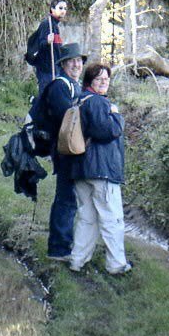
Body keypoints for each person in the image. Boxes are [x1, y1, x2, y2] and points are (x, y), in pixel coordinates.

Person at [68, 63, 131, 275]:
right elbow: (108, 130)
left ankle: (77, 261)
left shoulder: (79, 100)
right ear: (90, 81)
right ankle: (116, 265)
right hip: (101, 170)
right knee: (112, 219)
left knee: (87, 218)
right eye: (99, 79)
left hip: (81, 170)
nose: (104, 82)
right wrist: (116, 115)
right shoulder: (97, 102)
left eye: (106, 78)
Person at [42, 42, 85, 262]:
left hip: (72, 148)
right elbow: (66, 118)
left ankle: (65, 243)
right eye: (71, 61)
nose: (76, 65)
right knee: (66, 198)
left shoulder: (74, 85)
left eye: (79, 61)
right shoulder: (60, 87)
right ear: (63, 64)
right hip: (65, 149)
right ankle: (58, 248)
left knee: (70, 197)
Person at [25, 0, 68, 92]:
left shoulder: (55, 25)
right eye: (60, 8)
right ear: (52, 9)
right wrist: (47, 41)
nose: (63, 11)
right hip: (47, 70)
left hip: (54, 69)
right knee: (46, 96)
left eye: (65, 8)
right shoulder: (47, 24)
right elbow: (40, 45)